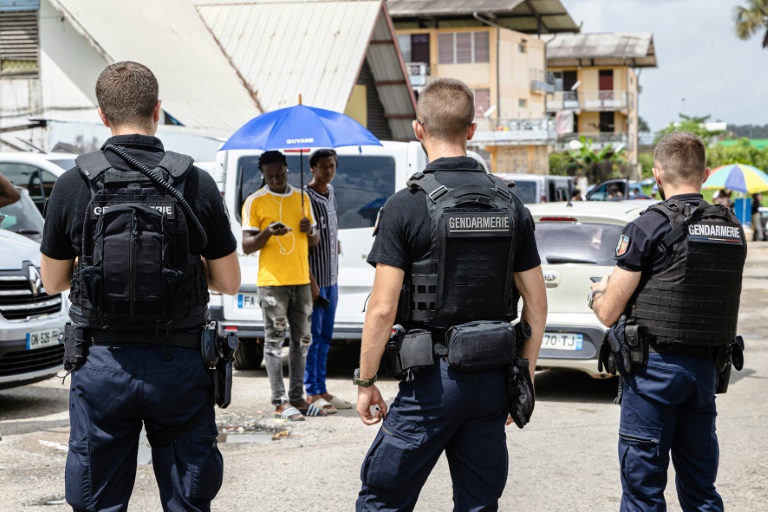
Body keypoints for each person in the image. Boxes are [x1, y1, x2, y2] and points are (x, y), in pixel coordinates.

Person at [39, 61, 241, 511]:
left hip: (102, 364)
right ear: (158, 110)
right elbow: (229, 281)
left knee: (98, 502)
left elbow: (52, 281)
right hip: (181, 364)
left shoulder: (74, 183)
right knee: (187, 501)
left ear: (102, 115)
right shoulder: (195, 181)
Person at [355, 78, 548, 511]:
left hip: (431, 384)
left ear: (418, 129)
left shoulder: (405, 206)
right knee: (479, 504)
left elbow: (382, 309)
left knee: (382, 499)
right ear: (472, 130)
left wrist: (366, 383)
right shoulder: (511, 204)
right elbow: (536, 303)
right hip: (493, 379)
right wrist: (525, 379)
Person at [590, 132, 747, 511]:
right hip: (705, 372)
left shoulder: (648, 226)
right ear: (705, 174)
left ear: (657, 175)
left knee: (643, 492)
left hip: (654, 373)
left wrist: (598, 294)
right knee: (700, 491)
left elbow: (610, 311)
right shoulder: (731, 229)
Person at [241, 150, 324, 421]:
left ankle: (298, 399)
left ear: (288, 168)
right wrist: (268, 232)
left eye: (280, 174)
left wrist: (308, 229)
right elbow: (247, 245)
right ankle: (279, 402)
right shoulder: (256, 201)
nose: (275, 180)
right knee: (275, 342)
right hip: (273, 284)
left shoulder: (302, 197)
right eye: (270, 176)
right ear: (263, 176)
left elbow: (315, 241)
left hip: (300, 281)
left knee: (302, 342)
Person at [303, 149, 352, 413]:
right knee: (313, 338)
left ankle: (321, 388)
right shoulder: (304, 197)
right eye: (322, 166)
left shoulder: (330, 192)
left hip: (332, 277)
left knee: (326, 337)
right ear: (312, 168)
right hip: (315, 280)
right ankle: (311, 392)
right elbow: (304, 244)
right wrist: (311, 282)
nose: (328, 170)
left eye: (331, 166)